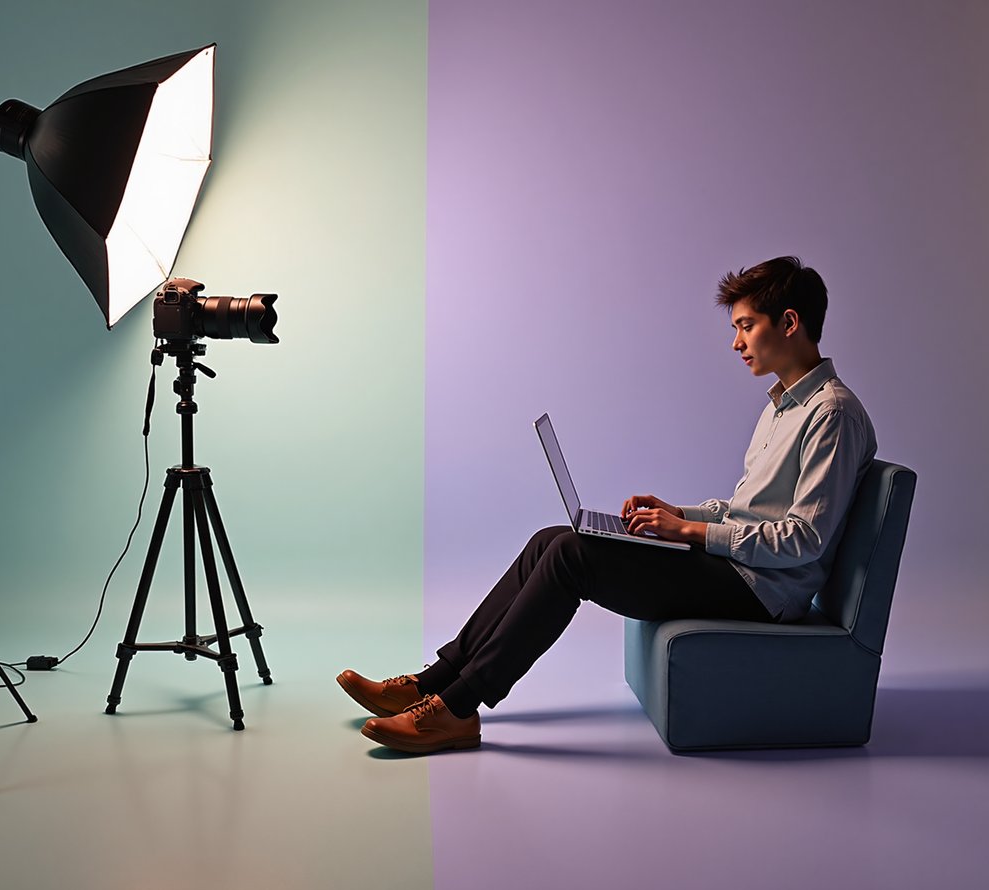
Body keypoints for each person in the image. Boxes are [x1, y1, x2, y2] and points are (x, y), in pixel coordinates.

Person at [338, 256, 877, 754]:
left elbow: (804, 540)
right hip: (737, 568)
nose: (736, 342)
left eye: (745, 325)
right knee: (550, 539)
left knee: (575, 556)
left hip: (761, 590)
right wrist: (681, 513)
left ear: (788, 322)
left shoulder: (831, 414)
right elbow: (748, 510)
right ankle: (432, 681)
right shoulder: (782, 408)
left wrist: (687, 534)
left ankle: (456, 709)